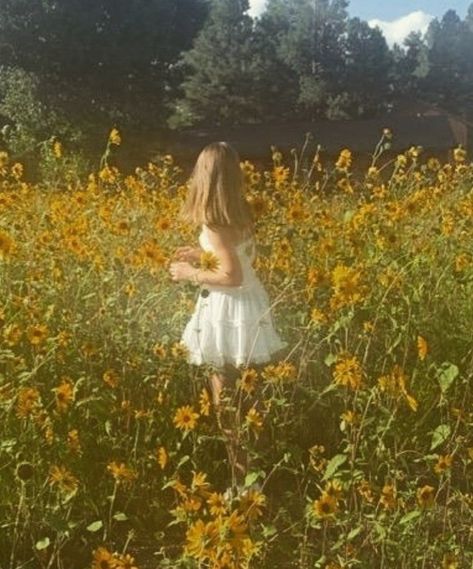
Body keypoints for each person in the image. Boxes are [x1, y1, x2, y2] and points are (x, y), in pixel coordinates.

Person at [169, 141, 287, 493]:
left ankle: (242, 484)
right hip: (250, 308)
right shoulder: (242, 213)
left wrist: (189, 273)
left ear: (202, 178)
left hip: (227, 312)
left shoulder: (214, 223)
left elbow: (231, 277)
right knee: (253, 398)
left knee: (226, 402)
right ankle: (258, 474)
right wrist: (201, 253)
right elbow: (234, 259)